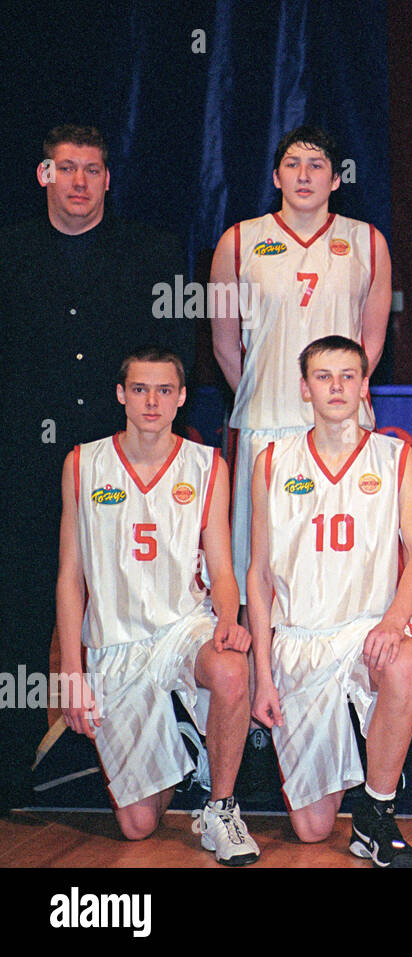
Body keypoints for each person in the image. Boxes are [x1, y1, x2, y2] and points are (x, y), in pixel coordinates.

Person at [0, 124, 190, 809]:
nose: (79, 182)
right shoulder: (11, 253)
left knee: (137, 608)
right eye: (65, 169)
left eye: (91, 170)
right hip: (25, 464)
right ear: (44, 175)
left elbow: (176, 356)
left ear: (109, 180)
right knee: (18, 612)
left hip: (125, 470)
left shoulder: (152, 253)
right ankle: (11, 769)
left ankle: (151, 763)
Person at [54, 347, 259, 864]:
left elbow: (223, 571)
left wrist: (229, 620)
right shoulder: (83, 463)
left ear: (182, 398)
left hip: (182, 629)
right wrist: (72, 674)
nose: (152, 401)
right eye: (140, 389)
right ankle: (191, 744)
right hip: (116, 643)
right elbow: (69, 578)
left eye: (165, 390)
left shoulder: (207, 464)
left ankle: (222, 808)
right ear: (121, 395)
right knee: (139, 826)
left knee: (232, 669)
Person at [247, 336, 412, 866]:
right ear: (304, 388)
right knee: (312, 829)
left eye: (348, 376)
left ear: (364, 385)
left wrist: (395, 621)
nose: (336, 387)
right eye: (324, 377)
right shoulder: (272, 461)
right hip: (299, 640)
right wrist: (263, 672)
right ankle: (350, 811)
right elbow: (258, 575)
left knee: (401, 663)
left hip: (365, 631)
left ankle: (377, 811)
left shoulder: (395, 456)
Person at [210, 124, 392, 604]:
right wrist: (263, 393)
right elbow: (226, 346)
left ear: (336, 180)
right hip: (265, 424)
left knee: (344, 564)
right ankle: (259, 677)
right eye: (293, 164)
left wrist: (336, 400)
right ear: (276, 176)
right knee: (260, 571)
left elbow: (371, 342)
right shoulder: (238, 241)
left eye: (317, 165)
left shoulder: (368, 242)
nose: (304, 175)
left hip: (344, 428)